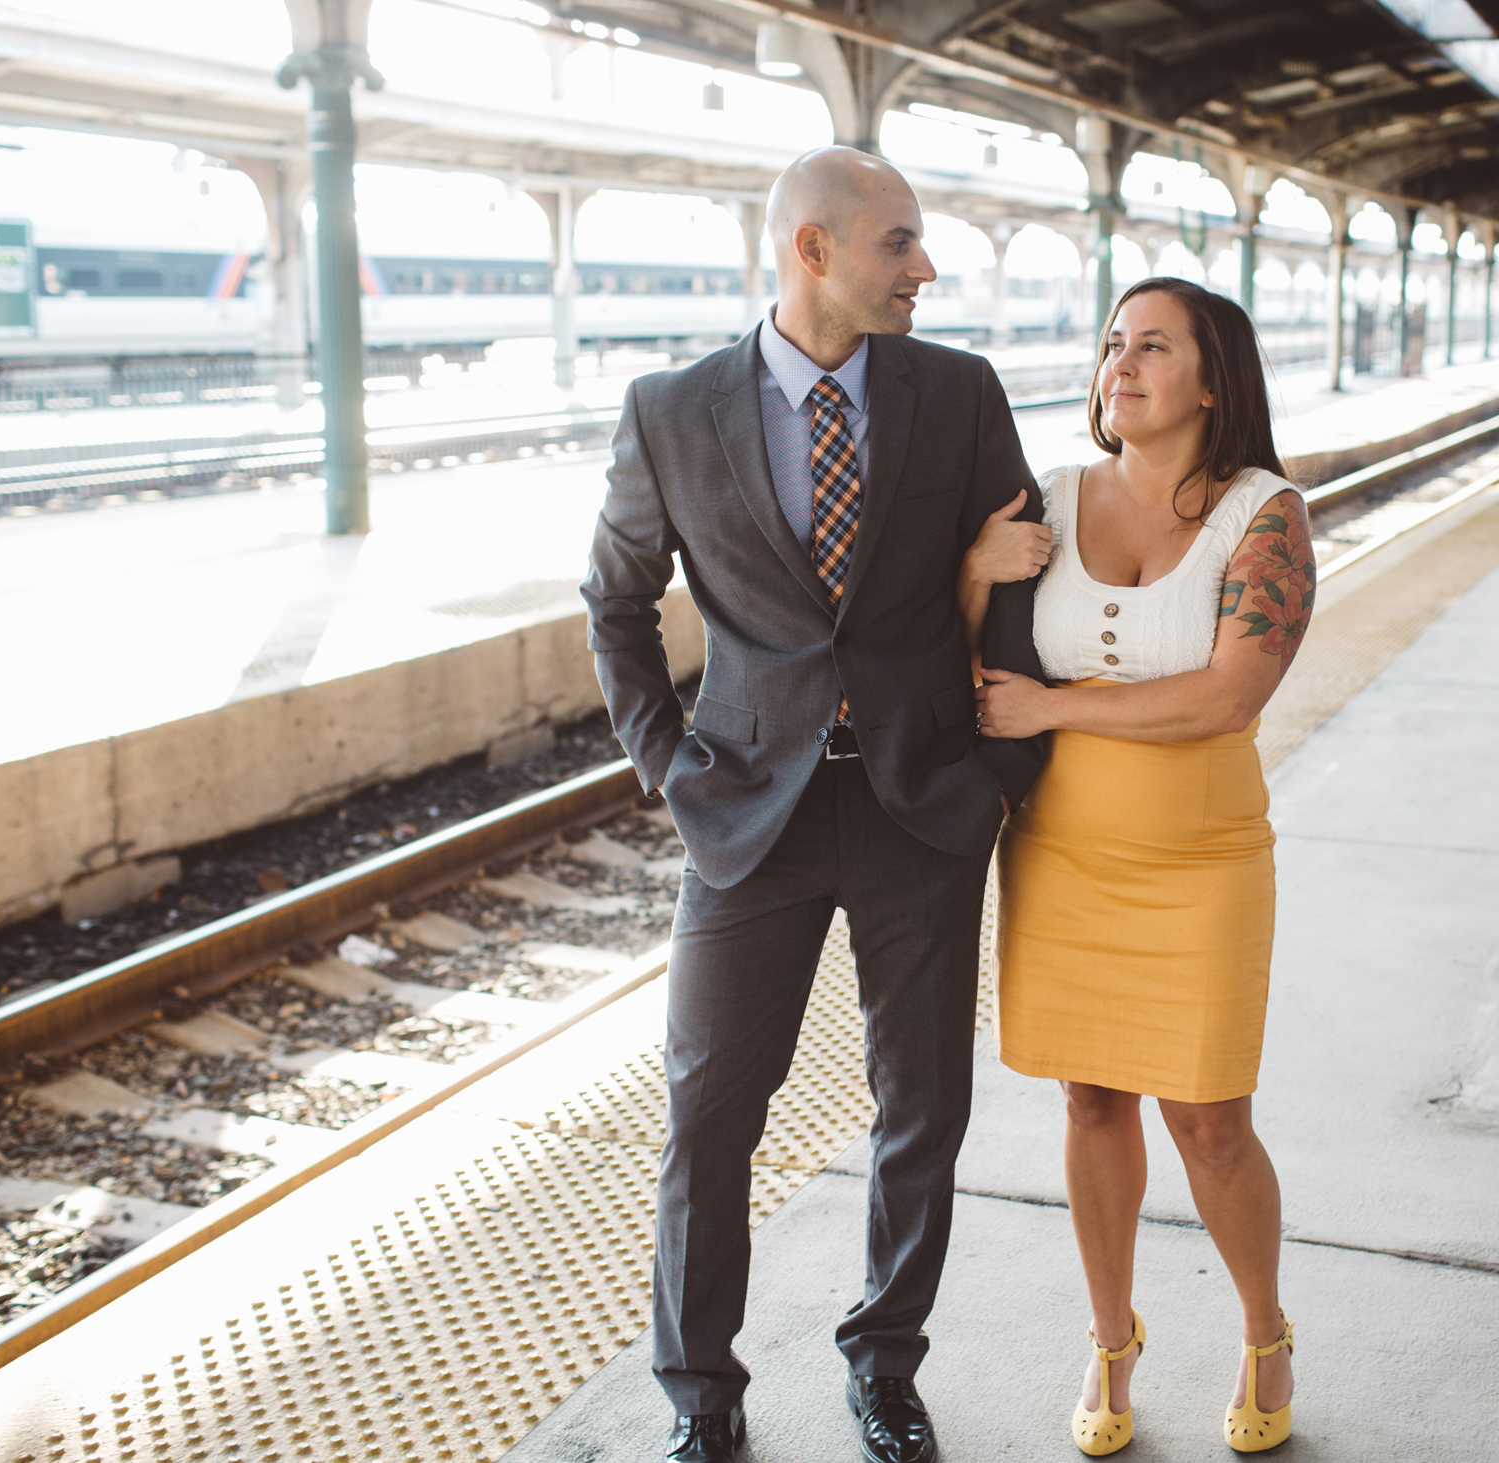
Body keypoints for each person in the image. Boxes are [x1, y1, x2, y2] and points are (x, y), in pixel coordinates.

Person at [581, 146, 1052, 1463]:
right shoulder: (672, 409)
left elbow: (1016, 576)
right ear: (813, 251)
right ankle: (701, 1397)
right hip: (744, 816)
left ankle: (885, 1366)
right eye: (899, 242)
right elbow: (614, 600)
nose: (924, 267)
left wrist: (997, 772)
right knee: (709, 1112)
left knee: (921, 1107)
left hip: (921, 805)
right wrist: (667, 768)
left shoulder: (955, 392)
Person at [961, 276, 1315, 1456]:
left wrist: (1053, 707)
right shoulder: (1047, 501)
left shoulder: (1265, 516)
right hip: (1060, 852)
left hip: (1202, 862)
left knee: (1210, 1119)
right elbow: (963, 646)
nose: (1121, 363)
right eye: (1113, 343)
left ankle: (1264, 1328)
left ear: (1211, 379)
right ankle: (1111, 1339)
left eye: (1152, 346)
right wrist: (974, 570)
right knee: (1090, 1095)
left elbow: (1228, 694)